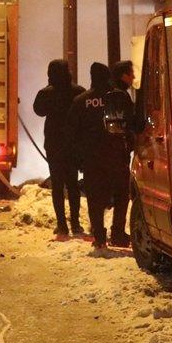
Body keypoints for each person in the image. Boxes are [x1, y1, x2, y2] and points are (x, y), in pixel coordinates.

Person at [67, 62, 132, 250]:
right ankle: (118, 233)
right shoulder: (120, 97)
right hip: (117, 155)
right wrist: (128, 147)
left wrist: (79, 157)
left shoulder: (81, 101)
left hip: (92, 159)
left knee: (94, 199)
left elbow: (71, 132)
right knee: (121, 195)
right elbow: (131, 122)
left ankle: (100, 237)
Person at [33, 59, 85, 238]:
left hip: (54, 145)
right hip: (73, 144)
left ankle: (62, 225)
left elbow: (38, 111)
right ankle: (76, 223)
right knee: (73, 184)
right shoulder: (79, 92)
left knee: (57, 185)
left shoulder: (46, 93)